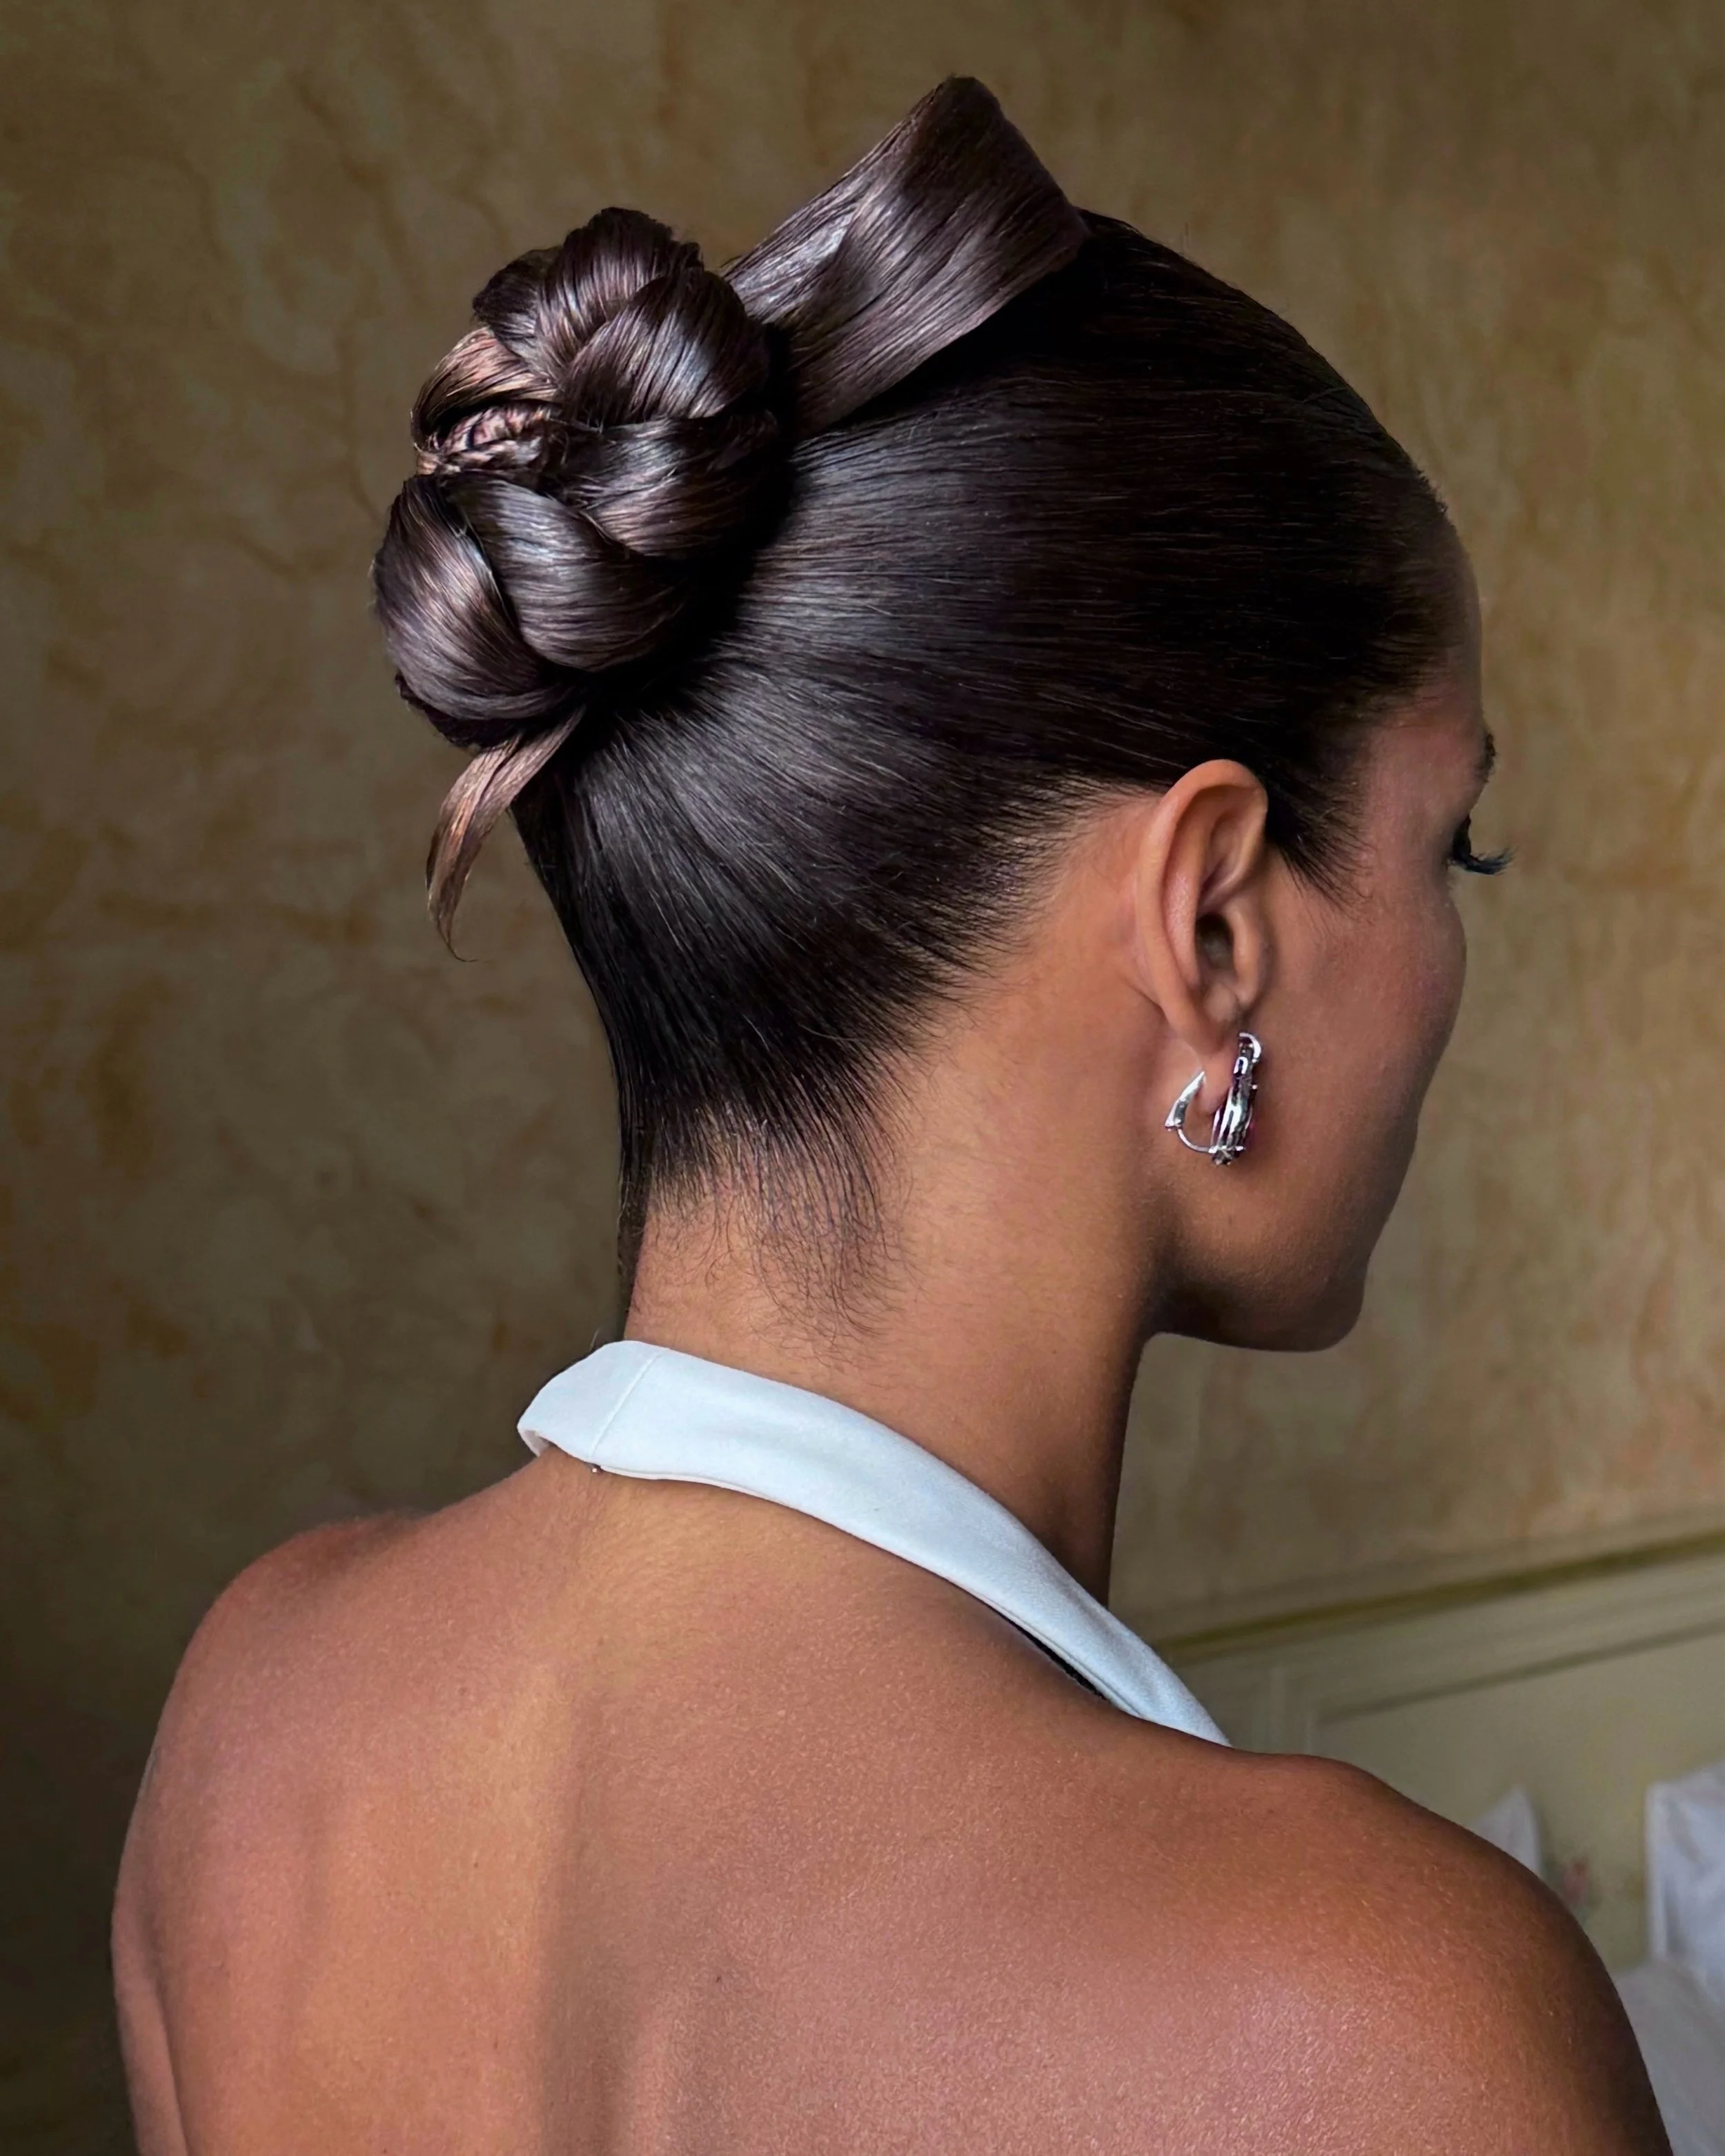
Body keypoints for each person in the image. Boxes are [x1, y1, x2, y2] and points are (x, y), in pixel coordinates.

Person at [112, 77, 1668, 2155]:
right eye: (1447, 843)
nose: (1453, 945)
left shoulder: (252, 1711)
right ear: (1209, 918)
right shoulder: (1365, 2020)